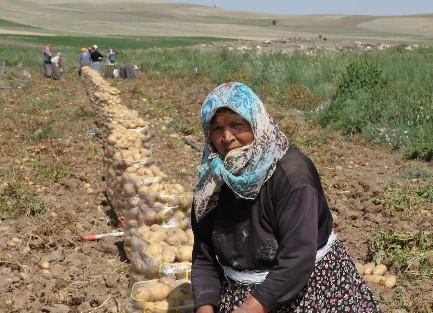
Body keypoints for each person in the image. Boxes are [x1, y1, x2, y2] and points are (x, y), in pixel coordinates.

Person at [191, 82, 382, 313]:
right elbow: (204, 258)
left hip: (310, 293)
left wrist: (248, 309)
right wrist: (205, 307)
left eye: (237, 124)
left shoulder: (292, 176)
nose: (227, 137)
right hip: (242, 298)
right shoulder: (212, 182)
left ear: (257, 123)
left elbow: (297, 258)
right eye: (216, 128)